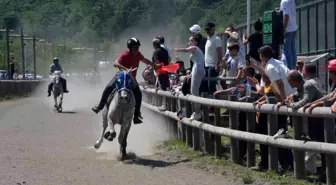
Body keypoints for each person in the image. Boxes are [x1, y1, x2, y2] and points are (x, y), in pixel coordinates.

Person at [91, 38, 159, 124]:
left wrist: (154, 65)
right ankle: (100, 106)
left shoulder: (138, 54)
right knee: (108, 87)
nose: (137, 49)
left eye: (138, 47)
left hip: (131, 79)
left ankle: (136, 115)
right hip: (121, 76)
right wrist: (126, 69)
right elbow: (115, 63)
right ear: (130, 48)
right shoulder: (125, 54)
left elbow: (145, 60)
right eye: (135, 48)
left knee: (138, 94)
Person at [174, 36, 206, 121]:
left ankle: (198, 113)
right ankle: (197, 112)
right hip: (198, 68)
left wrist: (177, 49)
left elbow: (186, 50)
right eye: (189, 41)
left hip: (198, 69)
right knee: (194, 91)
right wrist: (191, 74)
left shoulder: (194, 48)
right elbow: (197, 62)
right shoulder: (196, 51)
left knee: (194, 92)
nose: (190, 42)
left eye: (192, 40)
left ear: (196, 42)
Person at [204, 22, 223, 95]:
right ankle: (210, 103)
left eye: (209, 29)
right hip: (207, 65)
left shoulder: (217, 39)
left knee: (211, 86)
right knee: (208, 85)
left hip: (212, 66)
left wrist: (217, 64)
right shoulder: (208, 39)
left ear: (213, 29)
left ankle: (213, 104)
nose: (207, 31)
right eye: (206, 30)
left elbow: (219, 52)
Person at [152, 38, 170, 111]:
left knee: (162, 87)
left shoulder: (156, 51)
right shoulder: (165, 51)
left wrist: (155, 68)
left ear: (154, 45)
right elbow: (168, 60)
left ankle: (164, 105)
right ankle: (166, 104)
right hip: (166, 70)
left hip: (160, 71)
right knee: (166, 86)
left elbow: (157, 62)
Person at [279, 0, 298, 70]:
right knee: (292, 49)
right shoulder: (292, 1)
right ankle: (293, 68)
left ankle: (289, 70)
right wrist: (280, 10)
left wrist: (283, 30)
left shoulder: (284, 1)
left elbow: (286, 16)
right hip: (294, 28)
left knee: (287, 51)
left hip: (288, 30)